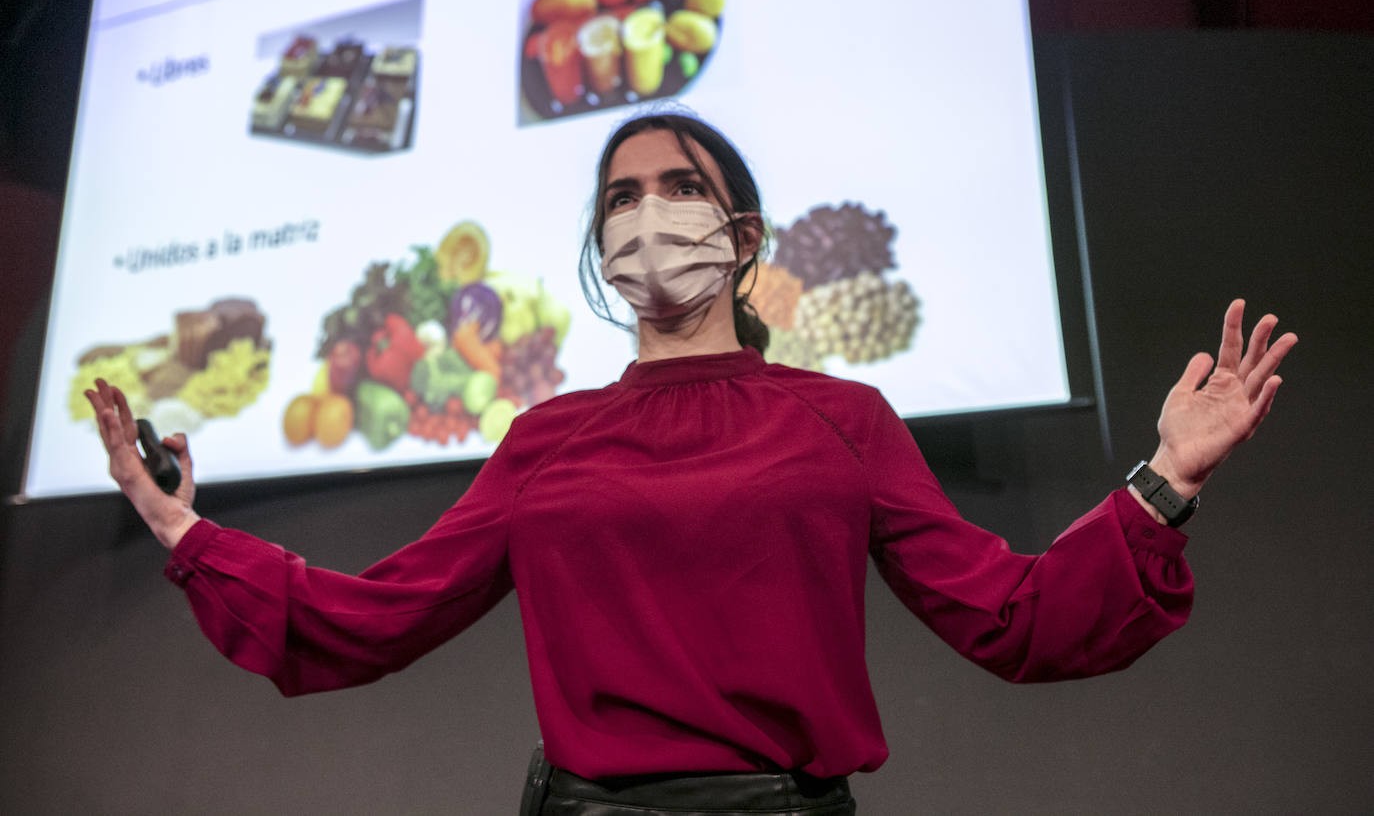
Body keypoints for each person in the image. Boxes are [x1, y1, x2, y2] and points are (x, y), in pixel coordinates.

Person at [87, 113, 1296, 815]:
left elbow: (1017, 619)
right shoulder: (544, 437)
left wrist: (1164, 480)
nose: (647, 212)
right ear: (602, 244)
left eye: (679, 188)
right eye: (622, 195)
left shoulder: (844, 417)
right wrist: (182, 528)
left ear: (742, 235)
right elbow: (371, 618)